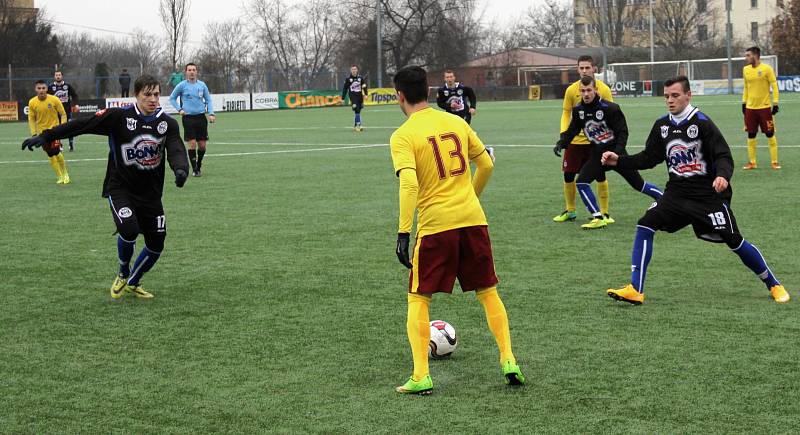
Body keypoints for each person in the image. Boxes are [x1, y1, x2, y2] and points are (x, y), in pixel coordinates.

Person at [390, 66, 524, 395]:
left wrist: (403, 232)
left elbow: (409, 183)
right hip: (473, 219)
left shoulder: (403, 136)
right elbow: (487, 163)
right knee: (488, 292)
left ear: (400, 96)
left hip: (437, 226)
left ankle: (421, 374)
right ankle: (509, 359)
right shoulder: (456, 122)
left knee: (418, 297)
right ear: (430, 90)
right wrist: (470, 197)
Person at [601, 76, 789, 305]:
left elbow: (723, 155)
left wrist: (722, 176)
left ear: (689, 95)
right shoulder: (662, 126)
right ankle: (635, 289)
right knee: (645, 224)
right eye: (667, 96)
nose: (670, 100)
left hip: (706, 195)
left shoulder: (702, 123)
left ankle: (774, 284)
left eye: (675, 95)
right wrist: (618, 161)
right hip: (676, 194)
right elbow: (649, 158)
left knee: (734, 240)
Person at [23, 75, 189, 300]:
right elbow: (82, 124)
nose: (153, 99)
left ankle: (133, 281)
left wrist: (181, 169)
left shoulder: (167, 123)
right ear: (136, 95)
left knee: (157, 244)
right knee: (129, 230)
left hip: (150, 194)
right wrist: (47, 136)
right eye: (147, 94)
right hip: (120, 187)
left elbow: (176, 148)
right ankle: (123, 272)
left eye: (157, 94)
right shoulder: (118, 117)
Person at [555, 76, 663, 230]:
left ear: (596, 90)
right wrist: (562, 142)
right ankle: (598, 217)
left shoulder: (610, 108)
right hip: (598, 155)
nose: (586, 94)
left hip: (617, 154)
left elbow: (623, 133)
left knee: (639, 185)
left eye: (589, 90)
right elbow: (573, 130)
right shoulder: (578, 110)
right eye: (583, 91)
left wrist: (617, 154)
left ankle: (663, 198)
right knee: (581, 182)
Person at [554, 55, 615, 224]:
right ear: (577, 69)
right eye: (581, 68)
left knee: (600, 175)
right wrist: (564, 133)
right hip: (575, 141)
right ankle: (570, 210)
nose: (584, 71)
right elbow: (566, 112)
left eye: (587, 67)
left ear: (594, 68)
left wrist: (608, 138)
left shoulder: (603, 89)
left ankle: (605, 213)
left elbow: (611, 114)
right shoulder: (571, 90)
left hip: (595, 142)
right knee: (568, 175)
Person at [169, 63, 215, 177]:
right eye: (189, 70)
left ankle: (199, 164)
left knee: (202, 145)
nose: (192, 72)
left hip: (201, 117)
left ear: (196, 72)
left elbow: (208, 100)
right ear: (186, 72)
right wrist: (179, 109)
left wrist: (211, 113)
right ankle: (195, 168)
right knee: (192, 143)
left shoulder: (202, 85)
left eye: (194, 70)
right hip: (188, 118)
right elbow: (172, 98)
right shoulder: (181, 85)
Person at [741, 46, 781, 170]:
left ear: (755, 55)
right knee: (751, 135)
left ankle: (774, 162)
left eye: (748, 55)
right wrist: (744, 102)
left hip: (764, 108)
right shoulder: (746, 70)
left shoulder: (767, 69)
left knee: (770, 134)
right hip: (750, 108)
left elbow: (774, 85)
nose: (746, 58)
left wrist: (775, 103)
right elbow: (746, 87)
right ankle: (752, 162)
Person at [25, 79, 69, 184]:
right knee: (50, 154)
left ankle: (65, 174)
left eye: (43, 88)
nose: (41, 90)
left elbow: (63, 114)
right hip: (42, 134)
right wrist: (34, 134)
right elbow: (31, 119)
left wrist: (62, 127)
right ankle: (59, 176)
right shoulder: (32, 102)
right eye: (39, 88)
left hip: (54, 131)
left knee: (57, 152)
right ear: (35, 89)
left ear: (47, 89)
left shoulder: (54, 99)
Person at [48, 70, 79, 152]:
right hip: (55, 112)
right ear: (54, 77)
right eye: (56, 75)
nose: (58, 76)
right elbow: (46, 98)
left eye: (59, 75)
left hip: (67, 111)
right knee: (57, 129)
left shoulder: (67, 86)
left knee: (69, 128)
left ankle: (71, 144)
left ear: (62, 76)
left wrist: (75, 104)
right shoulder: (50, 87)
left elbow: (75, 96)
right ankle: (59, 145)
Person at [341, 65, 368, 132]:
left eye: (355, 69)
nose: (354, 70)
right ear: (351, 70)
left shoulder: (360, 78)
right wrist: (343, 98)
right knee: (356, 109)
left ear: (357, 70)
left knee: (358, 111)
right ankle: (359, 125)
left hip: (360, 96)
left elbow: (364, 86)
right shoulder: (348, 79)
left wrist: (366, 94)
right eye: (353, 69)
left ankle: (356, 125)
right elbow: (345, 89)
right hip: (353, 97)